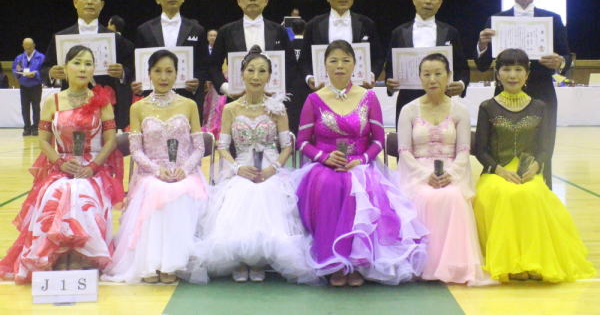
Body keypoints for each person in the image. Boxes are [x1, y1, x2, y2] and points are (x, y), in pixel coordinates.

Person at [295, 40, 428, 287]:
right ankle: (334, 262)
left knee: (360, 187)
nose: (340, 66)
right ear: (324, 65)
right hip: (325, 165)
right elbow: (302, 142)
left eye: (346, 60)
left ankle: (357, 262)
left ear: (354, 65)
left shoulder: (368, 97)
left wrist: (361, 159)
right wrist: (324, 157)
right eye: (334, 61)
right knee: (330, 184)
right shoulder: (313, 99)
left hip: (361, 164)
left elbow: (378, 140)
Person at [189, 46, 316, 284]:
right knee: (241, 193)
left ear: (269, 76)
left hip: (270, 170)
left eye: (262, 71)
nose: (256, 76)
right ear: (242, 74)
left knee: (267, 194)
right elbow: (223, 146)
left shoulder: (277, 108)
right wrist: (238, 169)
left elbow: (287, 146)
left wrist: (272, 169)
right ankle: (239, 259)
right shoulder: (230, 108)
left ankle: (258, 259)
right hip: (241, 169)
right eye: (251, 70)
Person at [0, 45, 124, 283]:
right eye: (77, 63)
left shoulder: (102, 100)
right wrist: (59, 163)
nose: (82, 68)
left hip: (94, 167)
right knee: (57, 191)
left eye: (88, 64)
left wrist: (92, 167)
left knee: (81, 191)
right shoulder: (52, 101)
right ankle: (58, 253)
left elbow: (110, 142)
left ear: (93, 70)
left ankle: (81, 255)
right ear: (65, 68)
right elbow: (43, 140)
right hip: (62, 166)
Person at [473, 48, 595, 283]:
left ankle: (534, 261)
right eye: (507, 69)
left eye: (518, 69)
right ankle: (512, 262)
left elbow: (545, 147)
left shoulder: (539, 106)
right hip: (496, 174)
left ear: (527, 74)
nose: (512, 75)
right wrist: (499, 170)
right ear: (498, 74)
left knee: (533, 194)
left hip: (528, 173)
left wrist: (537, 166)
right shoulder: (487, 107)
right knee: (506, 195)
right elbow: (481, 150)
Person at [103, 50, 209, 284]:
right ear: (149, 74)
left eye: (169, 71)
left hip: (184, 172)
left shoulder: (189, 105)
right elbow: (136, 150)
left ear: (177, 74)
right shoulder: (138, 107)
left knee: (179, 192)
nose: (163, 77)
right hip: (150, 173)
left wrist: (184, 169)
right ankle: (150, 263)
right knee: (156, 189)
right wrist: (155, 169)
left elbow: (199, 147)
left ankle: (172, 262)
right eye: (158, 71)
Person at [397, 53, 492, 285]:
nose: (432, 79)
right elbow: (404, 151)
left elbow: (463, 151)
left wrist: (451, 174)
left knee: (452, 196)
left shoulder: (460, 110)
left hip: (451, 171)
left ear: (449, 76)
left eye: (438, 73)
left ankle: (453, 264)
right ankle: (425, 264)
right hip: (418, 172)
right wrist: (425, 175)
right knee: (425, 196)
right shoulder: (408, 110)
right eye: (426, 74)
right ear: (420, 78)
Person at [475, 0, 571, 188]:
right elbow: (482, 65)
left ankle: (542, 193)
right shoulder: (496, 20)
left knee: (544, 147)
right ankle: (500, 189)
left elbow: (566, 58)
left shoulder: (553, 19)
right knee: (500, 145)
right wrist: (482, 45)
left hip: (542, 93)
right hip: (504, 97)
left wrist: (560, 62)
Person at [41, 0, 134, 129]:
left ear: (101, 4)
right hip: (69, 106)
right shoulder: (61, 37)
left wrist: (122, 72)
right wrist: (52, 73)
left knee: (105, 143)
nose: (89, 1)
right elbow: (44, 69)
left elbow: (132, 69)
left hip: (106, 107)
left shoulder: (115, 39)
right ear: (75, 2)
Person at [385, 0, 469, 126]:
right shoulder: (398, 33)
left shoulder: (451, 32)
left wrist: (461, 84)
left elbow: (462, 68)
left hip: (442, 101)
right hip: (407, 102)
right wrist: (390, 83)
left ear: (440, 2)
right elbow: (390, 69)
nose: (428, 1)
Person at [208, 0, 296, 99]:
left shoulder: (279, 30)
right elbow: (213, 66)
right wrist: (226, 88)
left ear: (266, 0)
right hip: (236, 100)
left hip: (273, 100)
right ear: (239, 0)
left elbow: (291, 64)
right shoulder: (226, 31)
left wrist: (280, 89)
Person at [133, 0, 209, 113]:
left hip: (186, 98)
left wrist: (197, 81)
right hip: (153, 98)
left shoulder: (197, 30)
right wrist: (137, 84)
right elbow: (138, 65)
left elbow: (203, 65)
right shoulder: (144, 30)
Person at [298, 0, 384, 91]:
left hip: (358, 90)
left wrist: (371, 74)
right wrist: (309, 78)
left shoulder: (367, 24)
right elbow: (304, 60)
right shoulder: (313, 25)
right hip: (324, 91)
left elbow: (378, 57)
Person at [12, 38, 45, 136]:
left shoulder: (41, 57)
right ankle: (27, 128)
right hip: (24, 87)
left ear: (34, 45)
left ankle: (35, 127)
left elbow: (44, 71)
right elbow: (15, 71)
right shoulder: (19, 58)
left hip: (35, 86)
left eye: (30, 48)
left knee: (36, 107)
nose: (28, 50)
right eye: (26, 48)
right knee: (24, 108)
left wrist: (35, 74)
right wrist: (18, 71)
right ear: (23, 46)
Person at [202, 29, 227, 137]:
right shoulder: (203, 49)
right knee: (209, 106)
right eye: (210, 35)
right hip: (208, 81)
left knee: (220, 104)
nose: (212, 37)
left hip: (220, 81)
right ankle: (210, 128)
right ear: (207, 37)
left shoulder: (222, 49)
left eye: (215, 35)